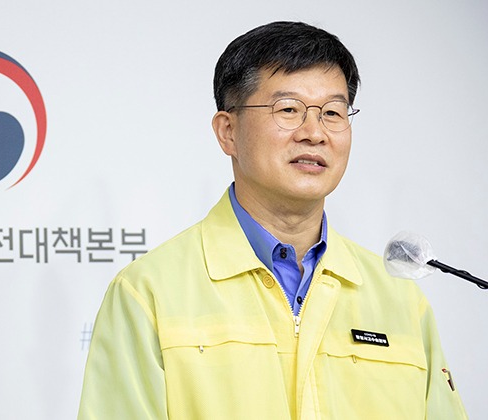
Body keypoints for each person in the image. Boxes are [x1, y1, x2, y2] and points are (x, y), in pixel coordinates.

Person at [78, 21, 468, 419]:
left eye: (333, 112)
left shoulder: (401, 299)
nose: (314, 133)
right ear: (228, 131)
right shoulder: (149, 293)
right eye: (288, 110)